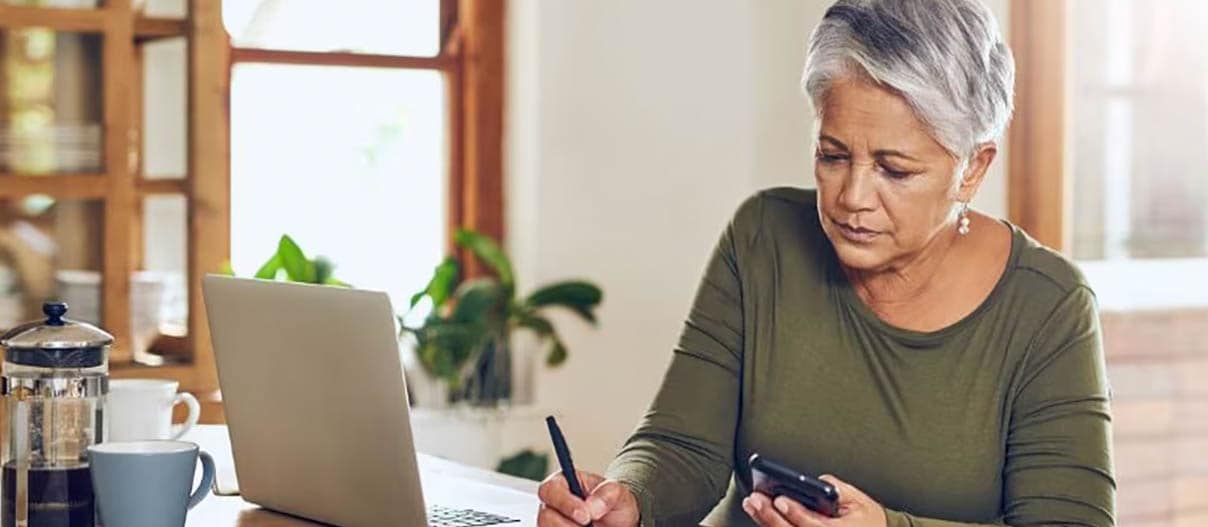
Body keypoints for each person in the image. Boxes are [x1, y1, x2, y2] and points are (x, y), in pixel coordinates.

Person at [536, 0, 1115, 525]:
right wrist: (629, 500)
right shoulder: (763, 237)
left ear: (973, 168)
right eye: (833, 156)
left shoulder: (1049, 306)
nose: (853, 196)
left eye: (894, 169)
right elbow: (684, 444)